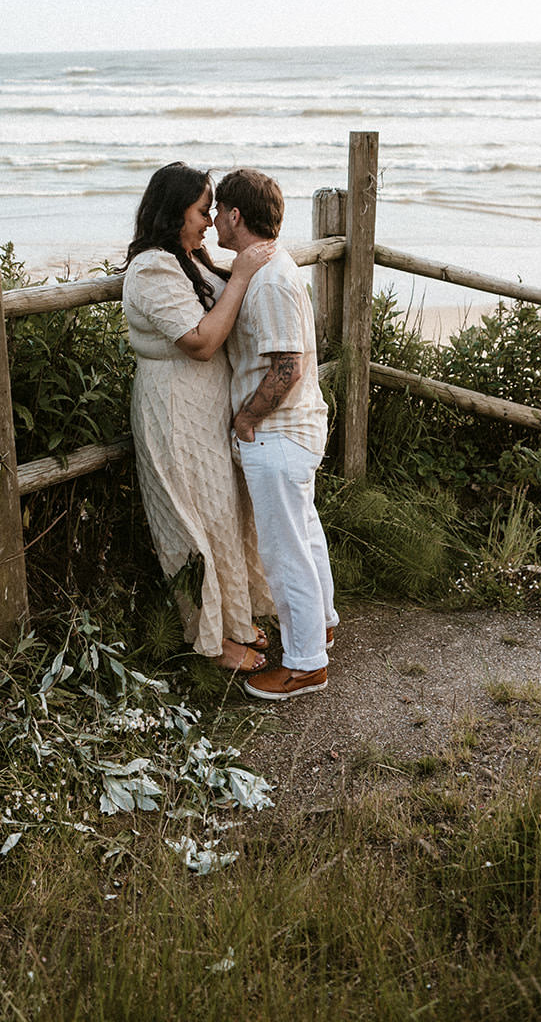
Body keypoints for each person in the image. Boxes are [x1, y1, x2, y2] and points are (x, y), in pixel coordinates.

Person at [122, 163, 276, 672]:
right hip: (173, 408)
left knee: (224, 514)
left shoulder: (189, 257)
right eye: (202, 210)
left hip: (207, 407)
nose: (210, 220)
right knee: (192, 523)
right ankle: (211, 642)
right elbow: (202, 342)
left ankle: (233, 622)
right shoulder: (152, 269)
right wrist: (245, 274)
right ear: (173, 213)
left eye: (212, 209)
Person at [213, 168, 338, 700]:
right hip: (291, 431)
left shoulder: (270, 280)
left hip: (277, 432)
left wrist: (246, 419)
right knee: (304, 534)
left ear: (236, 215)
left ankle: (306, 664)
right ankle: (321, 625)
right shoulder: (268, 267)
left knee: (284, 551)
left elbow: (287, 365)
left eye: (219, 210)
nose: (215, 218)